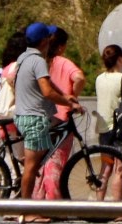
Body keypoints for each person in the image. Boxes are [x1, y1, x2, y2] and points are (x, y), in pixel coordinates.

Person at [13, 22, 83, 218]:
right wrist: (68, 103)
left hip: (25, 114)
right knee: (31, 166)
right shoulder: (37, 61)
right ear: (45, 40)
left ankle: (37, 207)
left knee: (36, 163)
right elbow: (46, 91)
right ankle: (26, 213)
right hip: (34, 117)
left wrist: (66, 96)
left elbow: (48, 83)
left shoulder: (24, 57)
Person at [35, 27, 85, 200]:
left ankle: (37, 201)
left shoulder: (39, 62)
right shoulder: (63, 62)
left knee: (40, 162)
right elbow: (79, 77)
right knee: (56, 161)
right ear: (62, 46)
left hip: (40, 115)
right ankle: (54, 202)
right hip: (61, 117)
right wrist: (73, 97)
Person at [94, 44, 122, 201]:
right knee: (120, 169)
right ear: (119, 59)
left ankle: (99, 205)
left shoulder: (99, 79)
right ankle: (118, 207)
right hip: (121, 130)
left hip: (103, 128)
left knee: (105, 168)